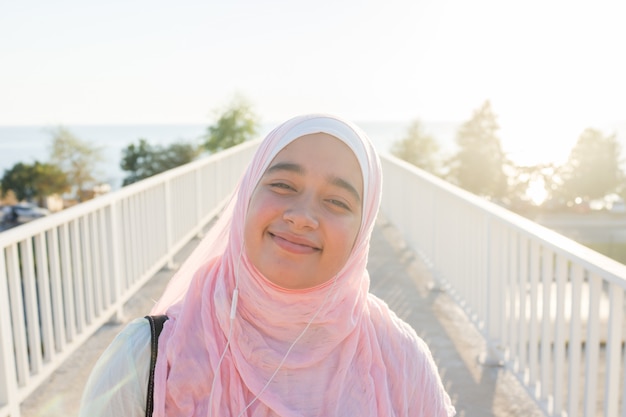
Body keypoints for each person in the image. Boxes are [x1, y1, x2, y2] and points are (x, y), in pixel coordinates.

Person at [79, 114, 456, 417]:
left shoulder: (399, 360)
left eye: (338, 202)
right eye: (282, 185)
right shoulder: (149, 357)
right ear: (246, 196)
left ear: (364, 230)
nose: (302, 216)